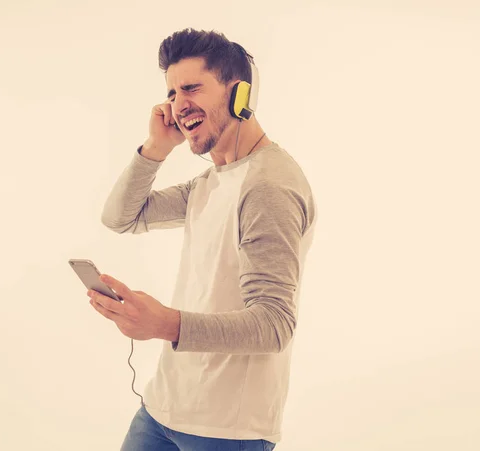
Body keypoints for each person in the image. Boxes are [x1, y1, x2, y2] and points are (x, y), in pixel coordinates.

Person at [100, 28, 317, 450]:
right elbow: (120, 217)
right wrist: (155, 148)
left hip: (225, 431)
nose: (178, 105)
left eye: (192, 88)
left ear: (240, 96)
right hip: (163, 407)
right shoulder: (212, 181)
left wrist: (165, 324)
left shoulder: (268, 185)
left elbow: (274, 324)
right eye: (172, 92)